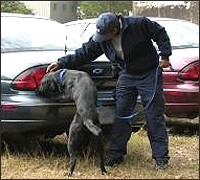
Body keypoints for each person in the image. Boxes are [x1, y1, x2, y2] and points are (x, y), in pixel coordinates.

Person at [46, 12, 172, 170]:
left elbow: (160, 32)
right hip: (127, 74)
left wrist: (165, 55)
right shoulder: (102, 38)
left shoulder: (138, 24)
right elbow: (84, 53)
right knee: (121, 114)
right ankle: (115, 155)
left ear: (115, 28)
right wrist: (61, 63)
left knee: (153, 115)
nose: (104, 39)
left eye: (106, 35)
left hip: (148, 73)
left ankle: (161, 158)